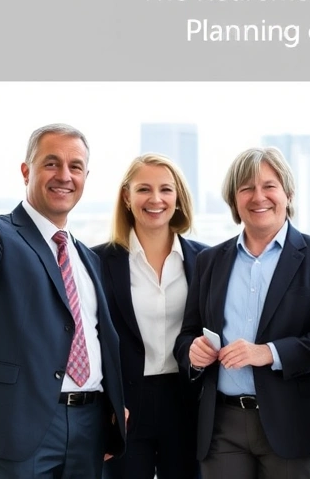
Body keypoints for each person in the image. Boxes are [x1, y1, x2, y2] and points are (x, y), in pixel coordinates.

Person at [0, 125, 127, 479]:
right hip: (18, 424)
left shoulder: (86, 257)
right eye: (51, 164)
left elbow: (98, 337)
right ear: (27, 171)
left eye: (76, 166)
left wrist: (113, 401)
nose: (64, 176)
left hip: (90, 425)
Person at [174, 147, 310, 479]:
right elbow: (187, 334)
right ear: (234, 200)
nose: (258, 196)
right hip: (222, 423)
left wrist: (268, 353)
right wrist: (192, 353)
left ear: (288, 194)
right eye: (246, 188)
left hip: (293, 419)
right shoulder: (209, 261)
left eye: (269, 186)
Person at [92, 154, 208, 479]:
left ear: (178, 198)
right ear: (127, 197)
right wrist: (106, 405)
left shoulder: (206, 260)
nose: (155, 199)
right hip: (125, 406)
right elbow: (88, 341)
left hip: (187, 402)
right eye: (144, 189)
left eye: (166, 190)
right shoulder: (97, 261)